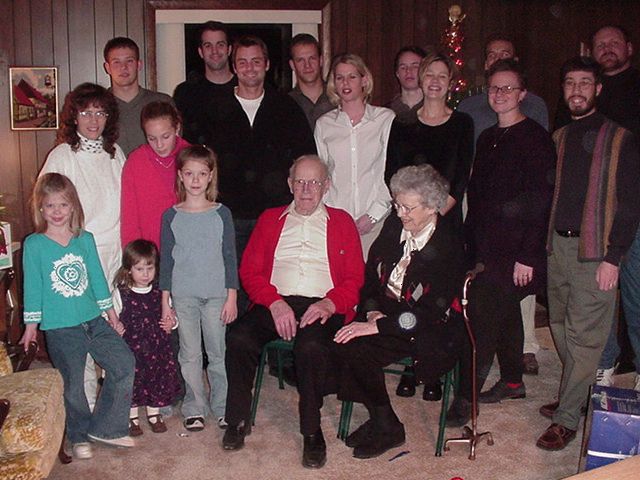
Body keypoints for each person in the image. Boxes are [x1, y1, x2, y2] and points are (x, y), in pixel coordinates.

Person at [221, 155, 364, 469]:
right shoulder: (270, 218)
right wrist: (274, 302)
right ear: (289, 184)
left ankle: (312, 432)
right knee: (240, 337)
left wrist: (330, 302)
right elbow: (250, 272)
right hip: (276, 300)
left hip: (322, 304)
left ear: (326, 186)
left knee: (311, 347)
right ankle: (236, 420)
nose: (306, 189)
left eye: (314, 182)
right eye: (300, 181)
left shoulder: (342, 222)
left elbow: (355, 279)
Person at [537, 56, 640, 451]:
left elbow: (631, 205)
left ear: (598, 89)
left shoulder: (621, 139)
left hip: (596, 252)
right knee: (560, 327)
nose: (576, 90)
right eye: (570, 83)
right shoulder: (559, 138)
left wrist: (614, 258)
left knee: (585, 338)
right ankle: (575, 396)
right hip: (557, 249)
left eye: (585, 83)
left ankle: (567, 419)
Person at [448, 59, 555, 426]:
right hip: (484, 247)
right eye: (494, 88)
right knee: (507, 314)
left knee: (479, 321)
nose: (500, 94)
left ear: (523, 94)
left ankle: (466, 399)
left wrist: (528, 256)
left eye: (508, 88)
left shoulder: (536, 138)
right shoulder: (488, 136)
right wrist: (469, 245)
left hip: (516, 252)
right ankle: (512, 381)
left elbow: (542, 200)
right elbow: (478, 199)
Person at [335, 164, 465, 459]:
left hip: (427, 327)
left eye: (408, 207)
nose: (399, 213)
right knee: (343, 342)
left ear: (433, 207)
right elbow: (370, 276)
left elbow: (431, 312)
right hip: (385, 312)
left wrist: (379, 327)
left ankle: (388, 426)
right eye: (397, 204)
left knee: (359, 351)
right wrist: (370, 313)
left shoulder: (449, 247)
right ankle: (382, 419)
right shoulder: (396, 227)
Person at [20, 173, 136, 460]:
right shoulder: (34, 244)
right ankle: (78, 434)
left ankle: (107, 427)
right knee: (73, 386)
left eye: (63, 205)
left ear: (73, 206)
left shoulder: (85, 239)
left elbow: (97, 279)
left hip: (93, 320)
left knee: (124, 363)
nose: (57, 212)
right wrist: (30, 327)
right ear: (40, 209)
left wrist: (112, 316)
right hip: (60, 328)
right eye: (50, 206)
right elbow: (33, 288)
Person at [385, 51, 473, 402]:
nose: (435, 81)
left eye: (442, 75)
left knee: (438, 300)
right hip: (406, 221)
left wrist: (431, 220)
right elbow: (390, 174)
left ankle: (433, 367)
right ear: (419, 80)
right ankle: (411, 363)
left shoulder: (463, 123)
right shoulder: (402, 123)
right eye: (429, 75)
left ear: (450, 83)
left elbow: (460, 178)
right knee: (406, 293)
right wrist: (413, 217)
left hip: (445, 224)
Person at [205, 35, 316, 313]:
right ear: (234, 66)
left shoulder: (287, 108)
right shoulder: (215, 109)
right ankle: (235, 352)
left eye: (256, 61)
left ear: (267, 65)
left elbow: (305, 160)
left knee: (275, 288)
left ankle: (271, 354)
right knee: (234, 290)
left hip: (276, 217)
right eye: (242, 62)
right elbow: (200, 164)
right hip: (229, 218)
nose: (250, 67)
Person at [40, 82, 125, 410]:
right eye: (86, 112)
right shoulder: (62, 155)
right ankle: (85, 405)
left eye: (100, 112)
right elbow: (46, 205)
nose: (93, 120)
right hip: (78, 254)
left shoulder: (116, 153)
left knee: (112, 327)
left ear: (108, 117)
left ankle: (116, 407)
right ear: (74, 116)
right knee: (82, 330)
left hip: (115, 253)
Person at [576, 26, 640, 389]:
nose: (608, 49)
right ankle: (606, 362)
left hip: (635, 209)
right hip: (595, 213)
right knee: (596, 299)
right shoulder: (586, 96)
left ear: (629, 48)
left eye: (615, 42)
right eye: (600, 44)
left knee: (636, 297)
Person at [159, 145, 238, 432]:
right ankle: (194, 406)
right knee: (190, 354)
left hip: (217, 296)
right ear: (180, 176)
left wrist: (232, 296)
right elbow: (166, 262)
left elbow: (230, 257)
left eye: (201, 174)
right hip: (184, 296)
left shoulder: (221, 214)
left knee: (217, 353)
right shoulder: (171, 216)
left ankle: (222, 405)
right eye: (189, 173)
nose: (195, 179)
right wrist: (165, 302)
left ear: (210, 176)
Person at [315, 53, 395, 256]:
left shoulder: (385, 119)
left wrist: (374, 215)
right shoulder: (324, 124)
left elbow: (390, 170)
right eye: (339, 77)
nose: (345, 83)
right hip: (336, 221)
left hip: (377, 220)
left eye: (352, 76)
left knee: (371, 284)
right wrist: (334, 216)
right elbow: (322, 176)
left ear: (364, 80)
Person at [113, 239, 182, 437]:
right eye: (140, 269)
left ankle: (154, 414)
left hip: (157, 348)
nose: (145, 274)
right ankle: (131, 416)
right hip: (131, 349)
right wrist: (114, 327)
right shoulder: (121, 293)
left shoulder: (161, 293)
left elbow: (171, 317)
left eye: (149, 268)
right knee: (133, 381)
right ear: (129, 270)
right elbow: (110, 316)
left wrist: (172, 323)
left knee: (156, 380)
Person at [121, 101, 190, 249]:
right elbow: (129, 219)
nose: (159, 145)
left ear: (177, 128)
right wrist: (134, 257)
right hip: (150, 254)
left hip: (188, 248)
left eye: (166, 136)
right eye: (152, 138)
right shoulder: (136, 161)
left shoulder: (192, 157)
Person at [103, 37, 174, 155]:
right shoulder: (98, 107)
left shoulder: (162, 102)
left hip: (154, 173)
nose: (123, 67)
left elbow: (177, 148)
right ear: (108, 68)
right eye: (116, 62)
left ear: (139, 64)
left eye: (129, 61)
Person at [173, 21, 237, 145]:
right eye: (208, 45)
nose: (215, 51)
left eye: (220, 44)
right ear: (201, 52)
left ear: (229, 49)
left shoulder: (245, 89)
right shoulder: (186, 92)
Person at [288, 33, 334, 130]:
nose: (307, 65)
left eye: (312, 58)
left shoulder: (338, 99)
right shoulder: (286, 104)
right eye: (300, 60)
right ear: (292, 65)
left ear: (321, 61)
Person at [385, 46, 427, 124]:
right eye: (403, 67)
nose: (408, 71)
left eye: (415, 66)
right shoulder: (385, 113)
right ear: (397, 73)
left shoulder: (436, 112)